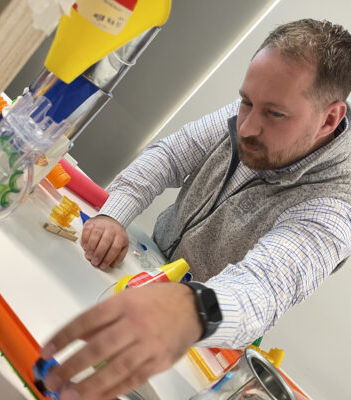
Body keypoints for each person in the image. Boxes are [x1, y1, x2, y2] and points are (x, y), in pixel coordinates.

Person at [41, 19, 351, 400]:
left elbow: (267, 285)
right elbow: (169, 156)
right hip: (146, 270)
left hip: (201, 335)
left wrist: (193, 310)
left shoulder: (337, 205)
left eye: (274, 114)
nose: (247, 127)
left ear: (330, 118)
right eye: (246, 102)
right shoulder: (256, 114)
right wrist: (114, 213)